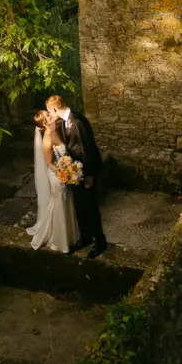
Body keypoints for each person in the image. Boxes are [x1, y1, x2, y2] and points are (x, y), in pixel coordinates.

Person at [45, 94, 108, 259]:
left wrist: (90, 175)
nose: (50, 114)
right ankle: (85, 237)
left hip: (86, 172)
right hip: (75, 172)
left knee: (90, 207)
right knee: (80, 206)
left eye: (49, 111)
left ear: (54, 109)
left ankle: (100, 241)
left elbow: (87, 149)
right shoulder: (65, 120)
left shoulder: (77, 121)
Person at [26, 110, 79, 254]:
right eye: (48, 115)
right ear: (44, 124)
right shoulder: (47, 139)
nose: (50, 113)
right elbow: (50, 163)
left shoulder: (56, 129)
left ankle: (71, 236)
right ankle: (60, 241)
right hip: (57, 176)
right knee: (60, 204)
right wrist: (65, 173)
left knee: (67, 203)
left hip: (63, 172)